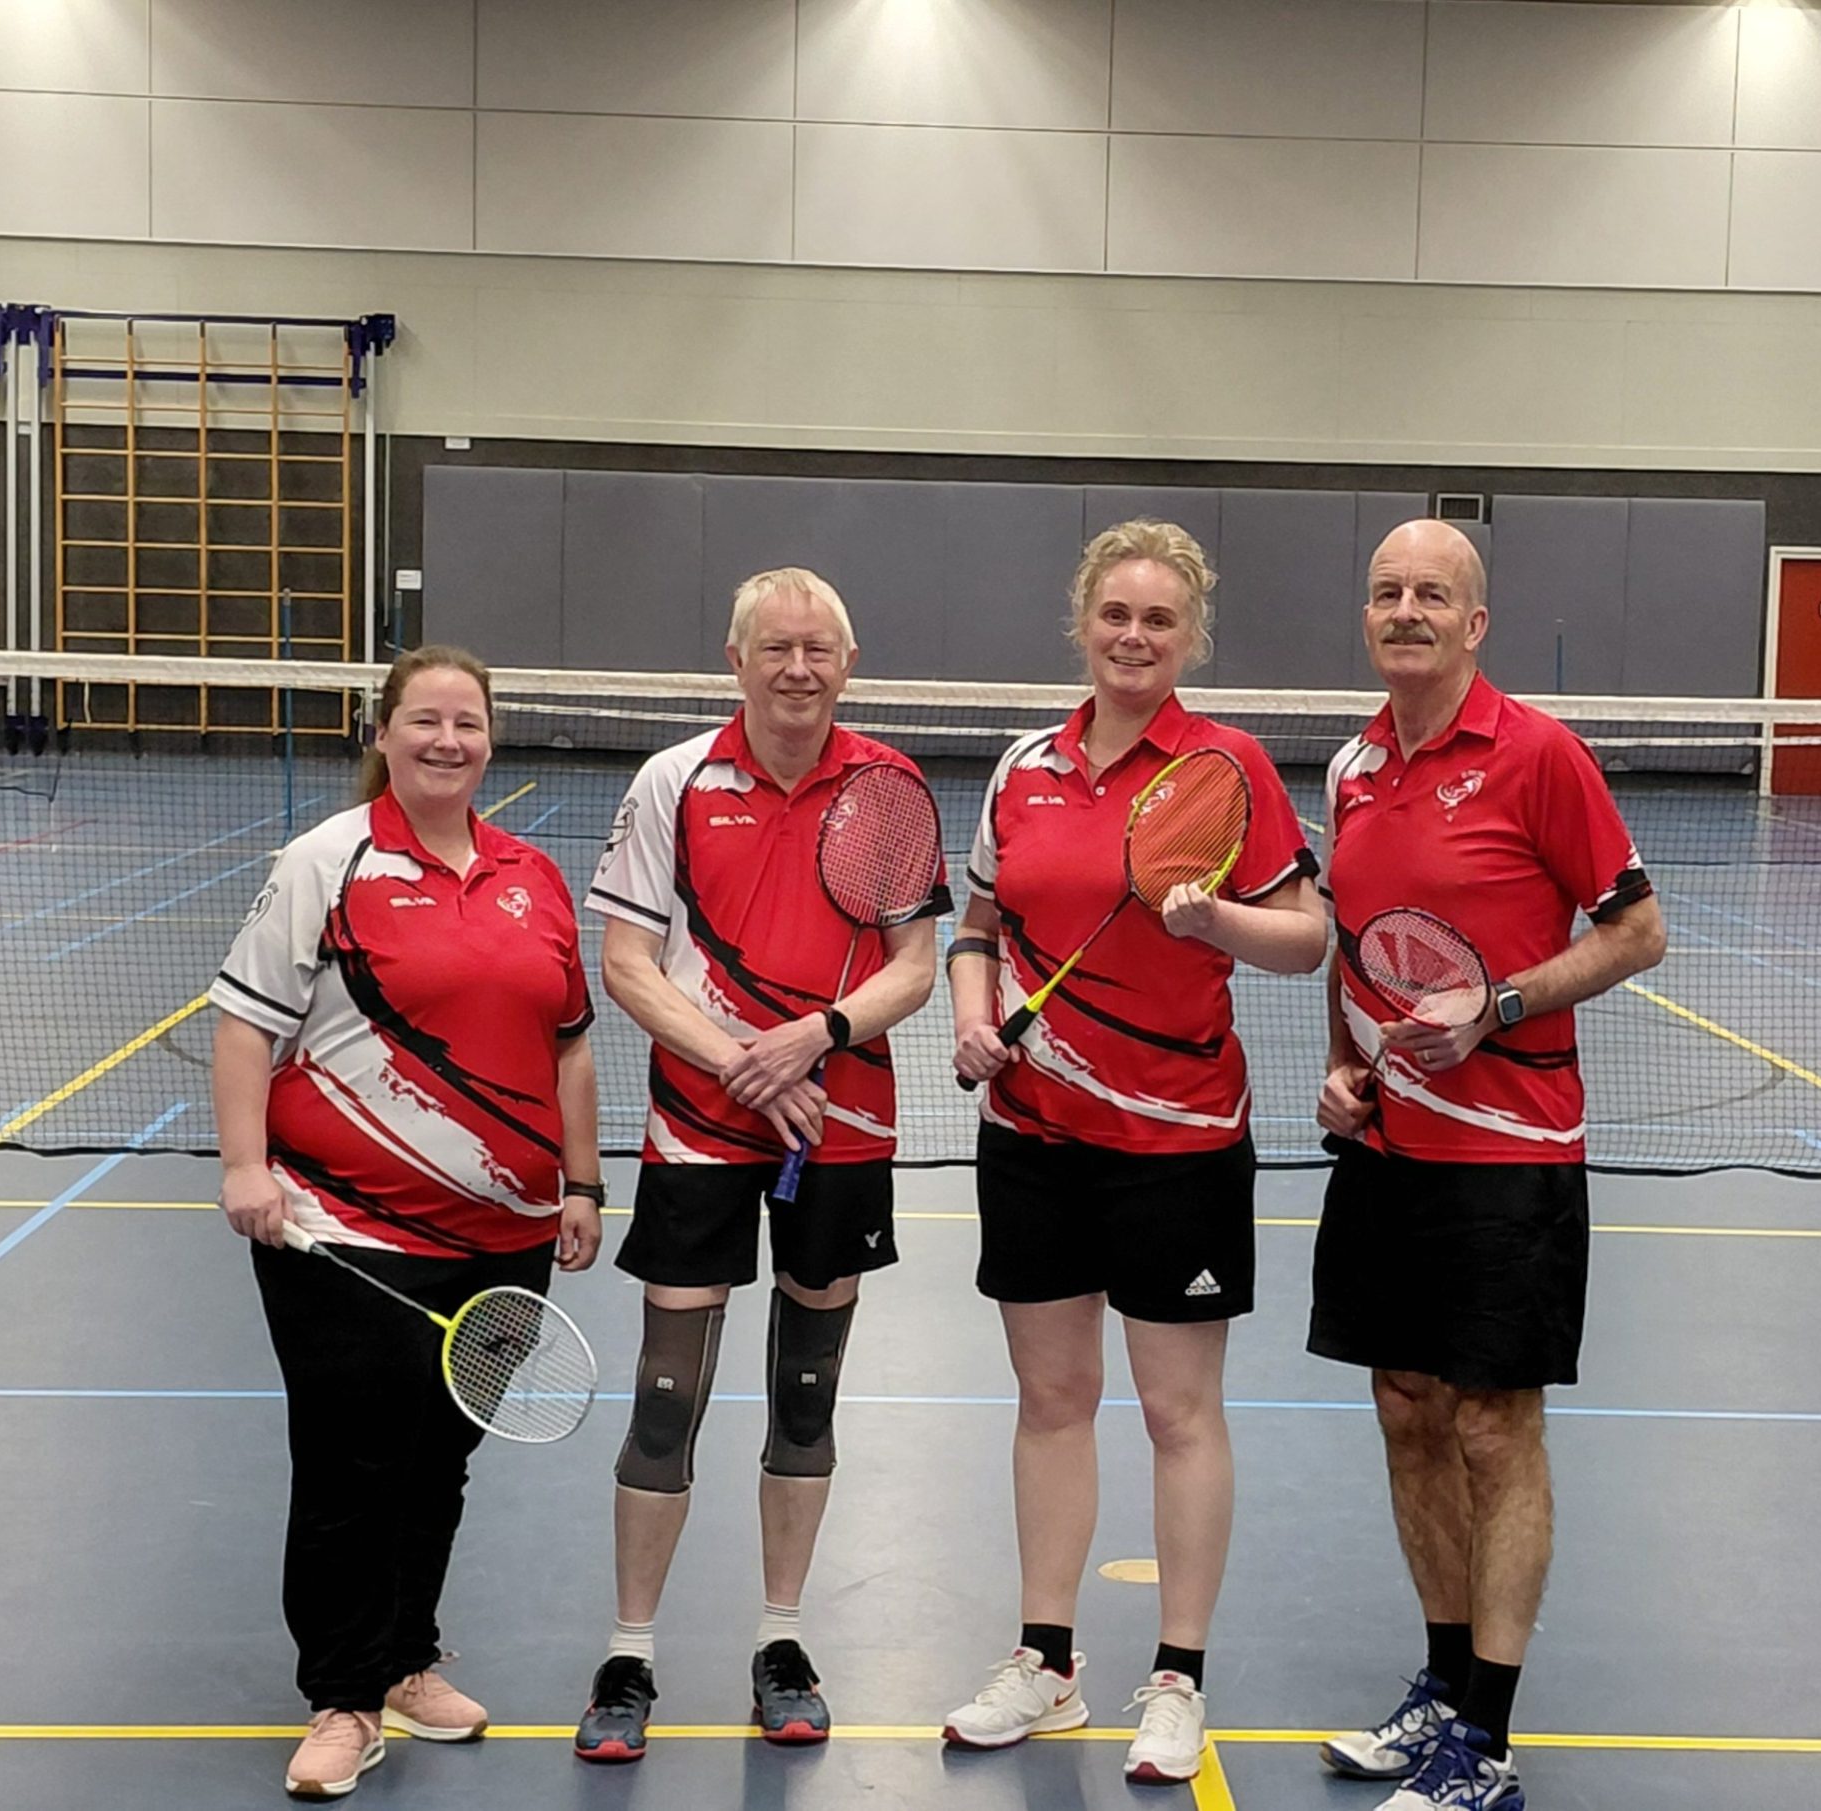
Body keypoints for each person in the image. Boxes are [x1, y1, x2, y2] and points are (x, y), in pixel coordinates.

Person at [943, 520, 1326, 1786]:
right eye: (1116, 612)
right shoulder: (1024, 764)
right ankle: (1045, 1662)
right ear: (1083, 617)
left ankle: (1178, 1676)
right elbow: (979, 921)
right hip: (1036, 1133)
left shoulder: (1227, 766)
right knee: (1050, 1401)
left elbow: (1307, 937)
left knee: (1176, 1411)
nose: (1134, 635)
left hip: (1178, 1139)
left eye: (1160, 619)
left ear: (1189, 636)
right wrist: (971, 1015)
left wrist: (1214, 913)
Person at [1311, 520, 1666, 1811]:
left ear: (1475, 623)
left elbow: (1639, 929)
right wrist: (1343, 1068)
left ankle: (1490, 1739)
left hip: (1508, 1151)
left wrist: (1499, 1005)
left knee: (1493, 1423)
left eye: (1434, 594)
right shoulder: (1355, 763)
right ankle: (1442, 1685)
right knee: (1407, 1403)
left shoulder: (1537, 754)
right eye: (1388, 590)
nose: (1407, 608)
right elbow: (1359, 940)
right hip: (1389, 1147)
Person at [210, 646, 605, 1801]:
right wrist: (245, 1164)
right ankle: (340, 1693)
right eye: (425, 720)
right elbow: (243, 1025)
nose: (448, 740)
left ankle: (406, 1658)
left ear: (491, 740)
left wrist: (579, 1182)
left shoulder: (532, 872)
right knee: (349, 1459)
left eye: (468, 722)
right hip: (344, 1229)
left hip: (508, 1233)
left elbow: (571, 1038)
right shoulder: (325, 862)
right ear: (384, 733)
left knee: (441, 1457)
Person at [572, 567, 948, 1762]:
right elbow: (626, 963)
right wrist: (745, 1059)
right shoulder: (673, 781)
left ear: (847, 662)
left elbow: (914, 965)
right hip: (700, 1123)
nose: (798, 667)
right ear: (736, 659)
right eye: (776, 647)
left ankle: (781, 1640)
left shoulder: (888, 788)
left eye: (819, 649)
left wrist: (817, 1038)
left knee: (804, 1394)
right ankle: (628, 1653)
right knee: (665, 1393)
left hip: (842, 1122)